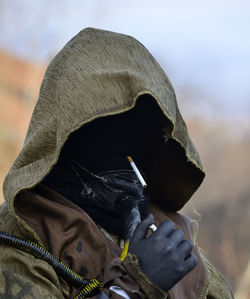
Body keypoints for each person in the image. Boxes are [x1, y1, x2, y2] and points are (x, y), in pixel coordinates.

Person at [0, 28, 233, 298]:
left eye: (140, 126)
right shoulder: (22, 237)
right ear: (66, 130)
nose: (126, 144)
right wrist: (137, 284)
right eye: (105, 125)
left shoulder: (175, 242)